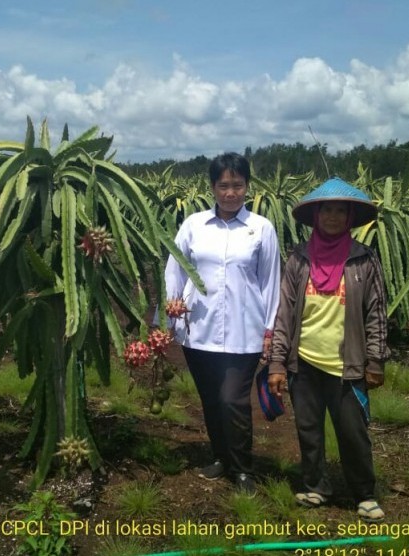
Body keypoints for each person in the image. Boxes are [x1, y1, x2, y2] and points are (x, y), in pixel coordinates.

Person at [267, 177, 391, 522]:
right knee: (308, 428)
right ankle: (316, 485)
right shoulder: (299, 259)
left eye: (340, 211)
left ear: (350, 217)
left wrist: (376, 360)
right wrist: (277, 362)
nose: (333, 217)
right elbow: (285, 312)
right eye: (327, 210)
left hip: (346, 365)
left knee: (352, 431)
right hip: (303, 361)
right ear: (316, 215)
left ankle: (364, 492)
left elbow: (376, 312)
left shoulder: (363, 260)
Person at [163, 152, 281, 494]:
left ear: (248, 187)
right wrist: (169, 314)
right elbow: (176, 268)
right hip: (198, 328)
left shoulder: (261, 228)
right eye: (223, 185)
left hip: (245, 331)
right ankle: (220, 457)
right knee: (211, 399)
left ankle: (243, 468)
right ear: (213, 187)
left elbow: (270, 280)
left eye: (238, 185)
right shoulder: (194, 225)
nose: (231, 193)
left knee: (233, 399)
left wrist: (270, 330)